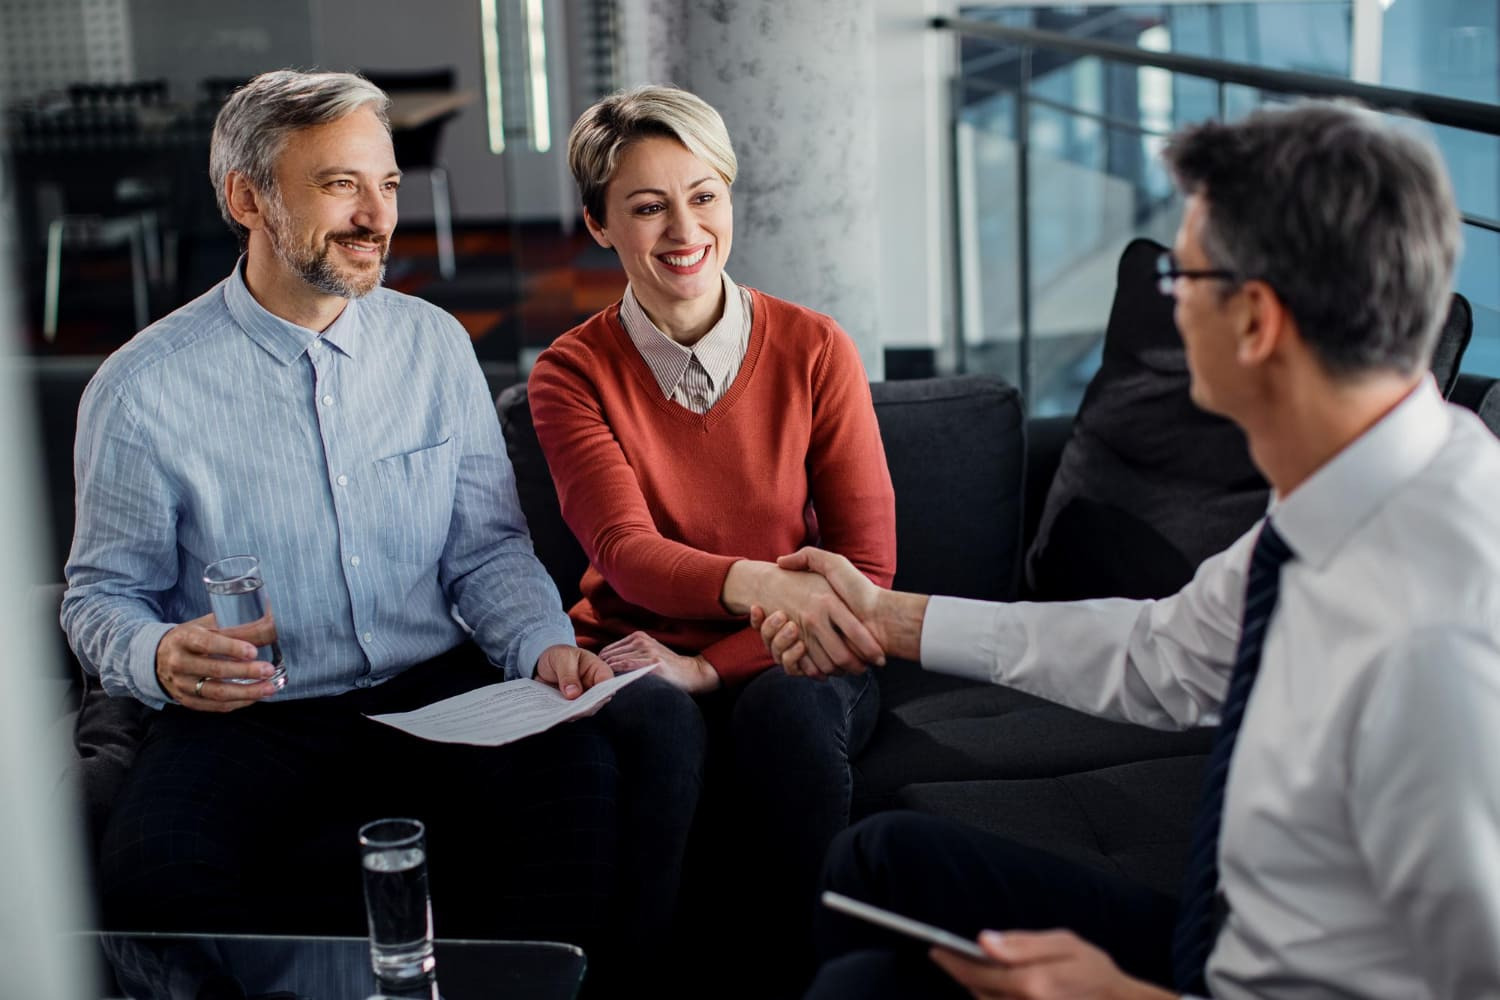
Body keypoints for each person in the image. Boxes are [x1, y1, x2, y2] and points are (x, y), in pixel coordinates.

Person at [754, 102, 1500, 998]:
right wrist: (885, 618)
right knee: (880, 864)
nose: (1172, 305)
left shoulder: (1440, 633)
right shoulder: (1344, 491)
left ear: (1257, 321)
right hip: (1223, 944)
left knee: (863, 985)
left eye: (1182, 279)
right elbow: (1163, 656)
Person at [60, 70, 700, 973]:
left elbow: (486, 548)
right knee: (151, 881)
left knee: (581, 792)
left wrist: (537, 643)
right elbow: (98, 598)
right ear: (249, 198)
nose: (377, 216)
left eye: (387, 184)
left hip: (433, 691)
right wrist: (156, 656)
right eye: (339, 185)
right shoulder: (140, 390)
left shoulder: (434, 344)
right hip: (249, 718)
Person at [527, 85, 896, 987]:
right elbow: (625, 552)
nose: (683, 228)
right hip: (635, 645)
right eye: (647, 207)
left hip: (801, 646)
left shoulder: (816, 348)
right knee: (653, 719)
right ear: (599, 223)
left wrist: (712, 664)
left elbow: (869, 570)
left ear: (729, 197)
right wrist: (768, 585)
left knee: (792, 708)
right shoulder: (569, 374)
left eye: (703, 196)